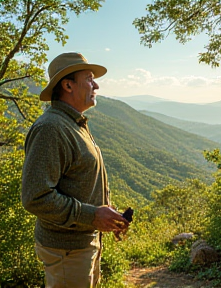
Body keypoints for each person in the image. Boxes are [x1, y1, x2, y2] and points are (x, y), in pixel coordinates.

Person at [21, 52, 130, 288]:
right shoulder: (51, 128)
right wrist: (92, 215)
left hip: (80, 244)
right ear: (68, 85)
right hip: (66, 251)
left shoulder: (73, 124)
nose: (96, 84)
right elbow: (35, 197)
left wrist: (107, 216)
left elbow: (80, 181)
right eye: (89, 78)